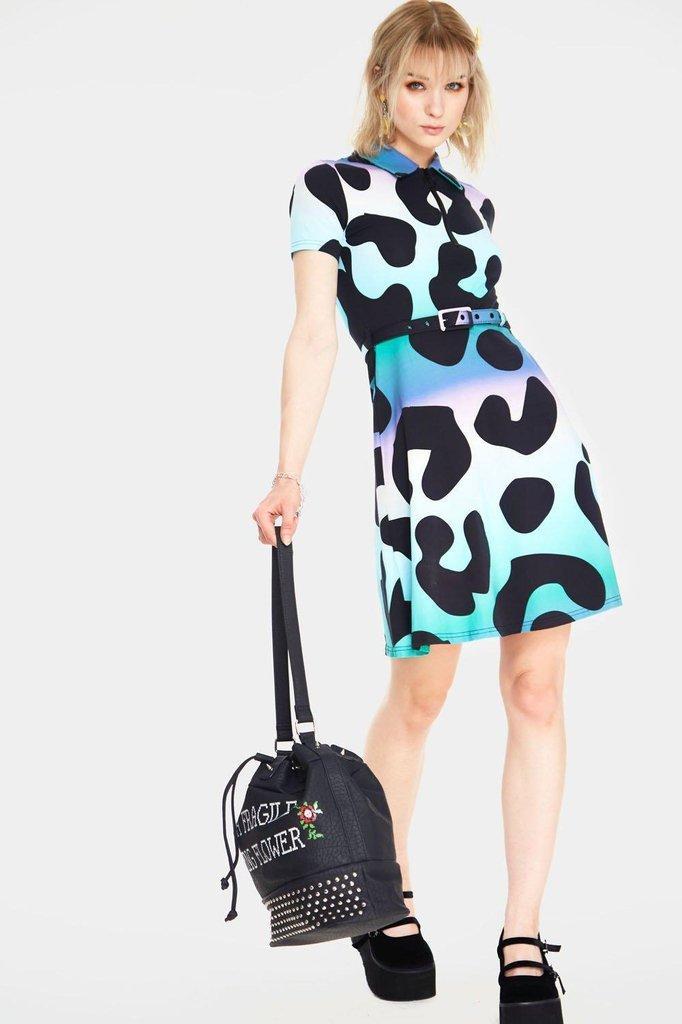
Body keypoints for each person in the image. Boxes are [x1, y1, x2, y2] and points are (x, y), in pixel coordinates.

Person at [252, 1, 622, 1018]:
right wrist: (288, 472)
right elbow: (315, 335)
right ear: (383, 82)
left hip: (533, 445)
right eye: (417, 84)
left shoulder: (470, 196)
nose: (436, 105)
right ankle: (391, 898)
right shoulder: (329, 188)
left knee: (537, 692)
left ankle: (522, 932)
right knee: (420, 694)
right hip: (427, 462)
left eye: (454, 86)